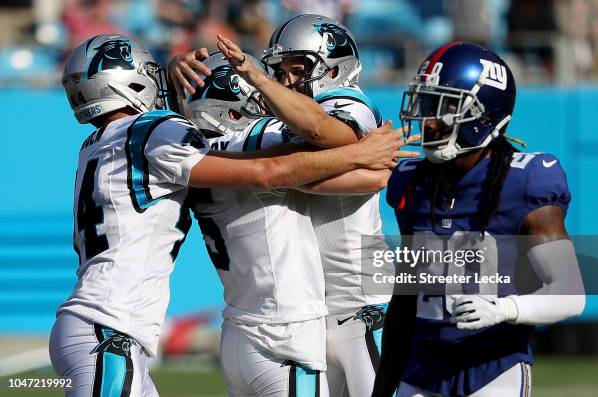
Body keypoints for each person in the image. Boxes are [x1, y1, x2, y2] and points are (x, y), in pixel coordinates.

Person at [48, 33, 411, 397]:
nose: (268, 106)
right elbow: (284, 167)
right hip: (278, 334)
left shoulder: (104, 143)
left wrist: (180, 83)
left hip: (231, 331)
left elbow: (203, 143)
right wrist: (362, 154)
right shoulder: (200, 135)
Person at [170, 15, 399, 397]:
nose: (286, 80)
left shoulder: (345, 101)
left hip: (362, 305)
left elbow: (322, 133)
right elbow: (353, 171)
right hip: (316, 316)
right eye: (280, 71)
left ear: (334, 66)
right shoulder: (264, 132)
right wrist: (357, 158)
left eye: (298, 69)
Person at [374, 42, 585, 397]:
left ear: (483, 115)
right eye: (426, 105)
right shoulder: (413, 180)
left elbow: (570, 293)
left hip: (492, 366)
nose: (428, 120)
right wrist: (382, 388)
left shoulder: (526, 181)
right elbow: (405, 298)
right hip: (421, 367)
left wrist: (505, 308)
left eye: (444, 108)